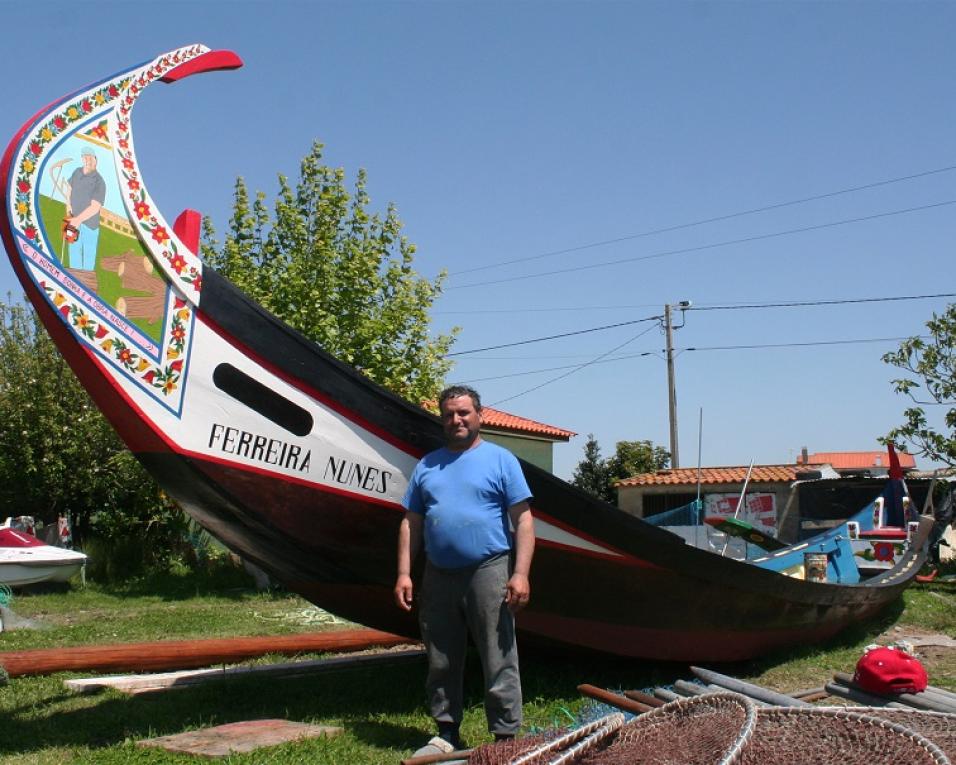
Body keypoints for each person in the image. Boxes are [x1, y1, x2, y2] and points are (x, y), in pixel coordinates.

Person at [395, 385, 534, 755]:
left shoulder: (502, 460)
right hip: (438, 573)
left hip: (489, 569)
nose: (456, 420)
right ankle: (446, 732)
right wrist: (405, 573)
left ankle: (505, 738)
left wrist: (520, 573)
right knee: (440, 655)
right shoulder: (427, 465)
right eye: (449, 414)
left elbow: (523, 520)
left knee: (498, 654)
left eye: (463, 413)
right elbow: (411, 522)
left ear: (479, 415)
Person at [64, 145, 106, 271]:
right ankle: (72, 285)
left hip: (90, 225)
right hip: (73, 221)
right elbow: (69, 188)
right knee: (73, 253)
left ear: (96, 160)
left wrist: (78, 220)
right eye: (85, 157)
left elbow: (95, 207)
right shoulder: (77, 172)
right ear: (82, 159)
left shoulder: (99, 182)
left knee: (88, 260)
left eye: (90, 158)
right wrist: (68, 205)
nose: (88, 160)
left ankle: (85, 288)